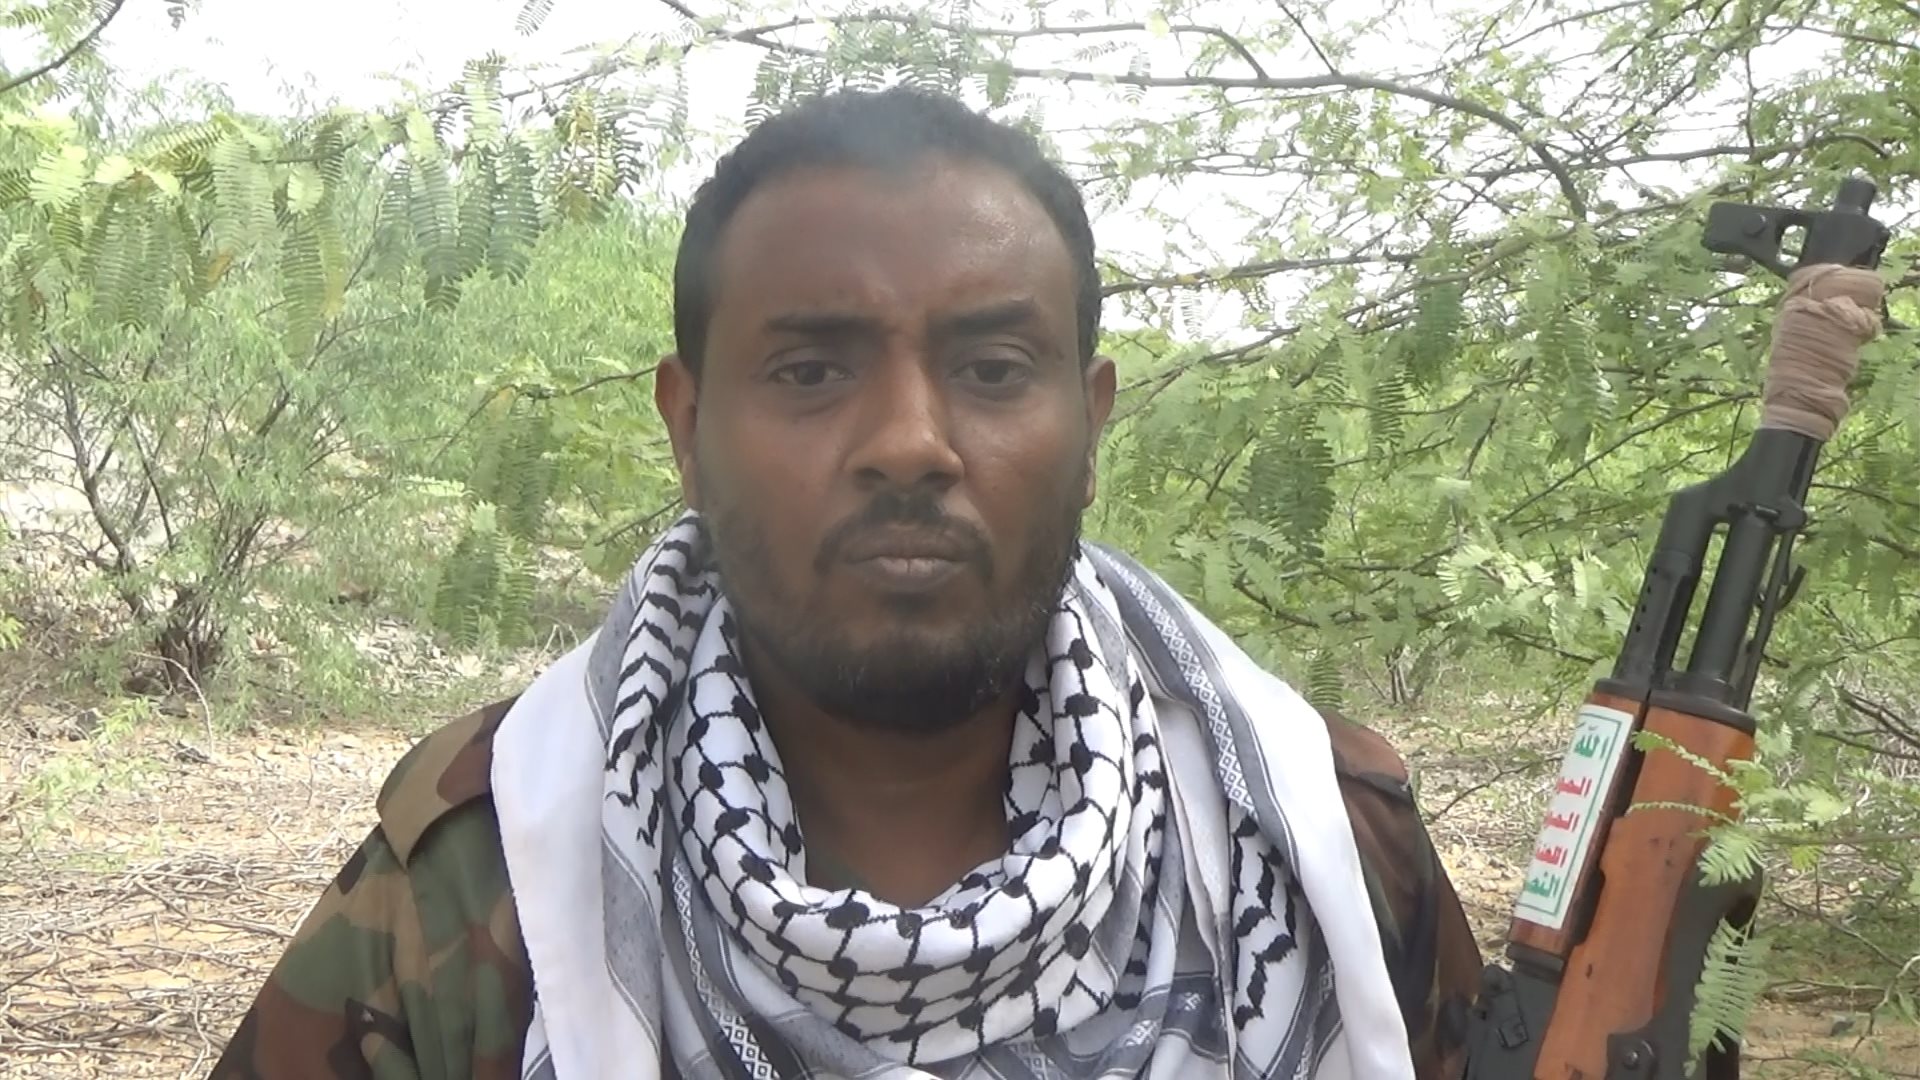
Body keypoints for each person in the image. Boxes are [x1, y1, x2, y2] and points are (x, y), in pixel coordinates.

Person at [209, 86, 1481, 1080]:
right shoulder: (486, 875)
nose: (910, 443)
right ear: (689, 428)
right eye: (812, 372)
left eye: (992, 369)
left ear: (1091, 427)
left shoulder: (1320, 844)